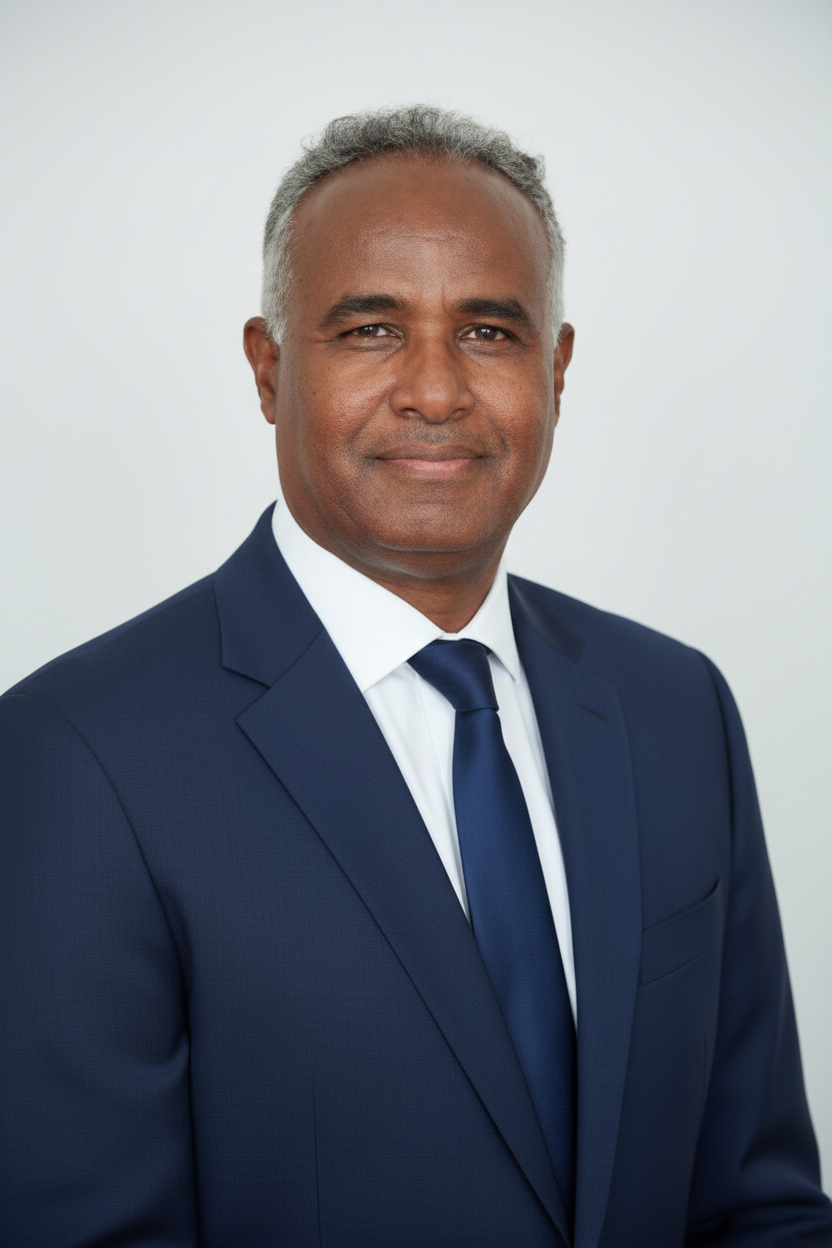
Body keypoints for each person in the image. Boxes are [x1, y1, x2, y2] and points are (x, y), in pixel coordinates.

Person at [1, 105, 829, 1247]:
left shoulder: (675, 707)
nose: (436, 391)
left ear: (557, 366)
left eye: (489, 332)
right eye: (371, 330)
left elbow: (759, 1204)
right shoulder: (75, 757)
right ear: (268, 367)